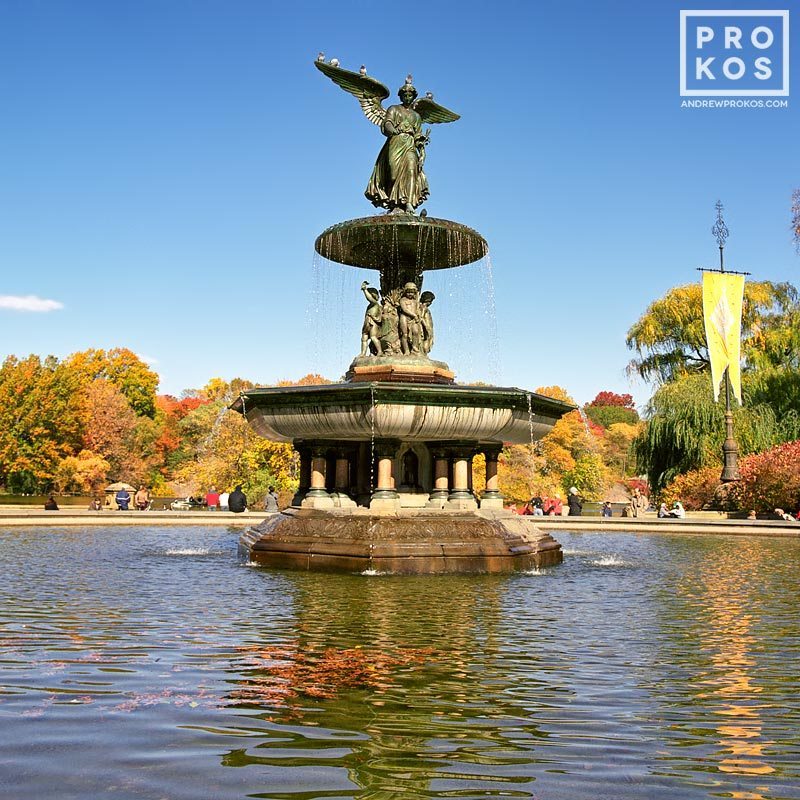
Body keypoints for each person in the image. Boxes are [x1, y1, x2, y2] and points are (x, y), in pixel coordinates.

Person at [365, 78, 430, 213]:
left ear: (413, 97)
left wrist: (422, 146)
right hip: (396, 141)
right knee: (393, 175)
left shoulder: (416, 116)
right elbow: (387, 123)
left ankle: (408, 203)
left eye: (410, 95)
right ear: (401, 96)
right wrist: (393, 130)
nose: (407, 97)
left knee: (412, 170)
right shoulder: (394, 109)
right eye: (405, 95)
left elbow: (417, 134)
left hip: (409, 145)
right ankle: (393, 202)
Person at [360, 281, 383, 356]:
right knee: (364, 338)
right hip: (367, 322)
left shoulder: (375, 304)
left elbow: (369, 298)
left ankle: (380, 351)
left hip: (373, 322)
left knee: (373, 337)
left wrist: (365, 290)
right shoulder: (370, 305)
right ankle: (363, 353)